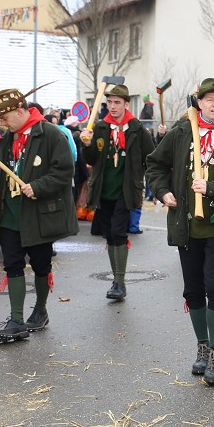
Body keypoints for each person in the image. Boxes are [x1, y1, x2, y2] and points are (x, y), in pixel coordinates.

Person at [145, 78, 214, 386]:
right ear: (201, 103)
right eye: (210, 100)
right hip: (186, 225)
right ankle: (202, 347)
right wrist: (163, 191)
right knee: (193, 289)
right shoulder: (182, 133)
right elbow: (154, 165)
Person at [0, 87, 77, 343]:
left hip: (39, 214)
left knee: (40, 264)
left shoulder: (50, 134)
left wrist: (38, 186)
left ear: (20, 109)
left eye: (5, 117)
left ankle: (41, 310)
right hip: (11, 214)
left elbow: (64, 171)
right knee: (12, 263)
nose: (2, 123)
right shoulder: (7, 139)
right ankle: (16, 319)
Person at [80, 84, 154, 300]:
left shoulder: (137, 129)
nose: (112, 107)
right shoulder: (101, 127)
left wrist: (157, 186)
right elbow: (91, 159)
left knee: (119, 232)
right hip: (103, 191)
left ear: (126, 104)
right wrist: (87, 143)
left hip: (126, 190)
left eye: (117, 103)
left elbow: (150, 158)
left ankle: (119, 282)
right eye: (110, 102)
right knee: (110, 234)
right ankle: (115, 278)